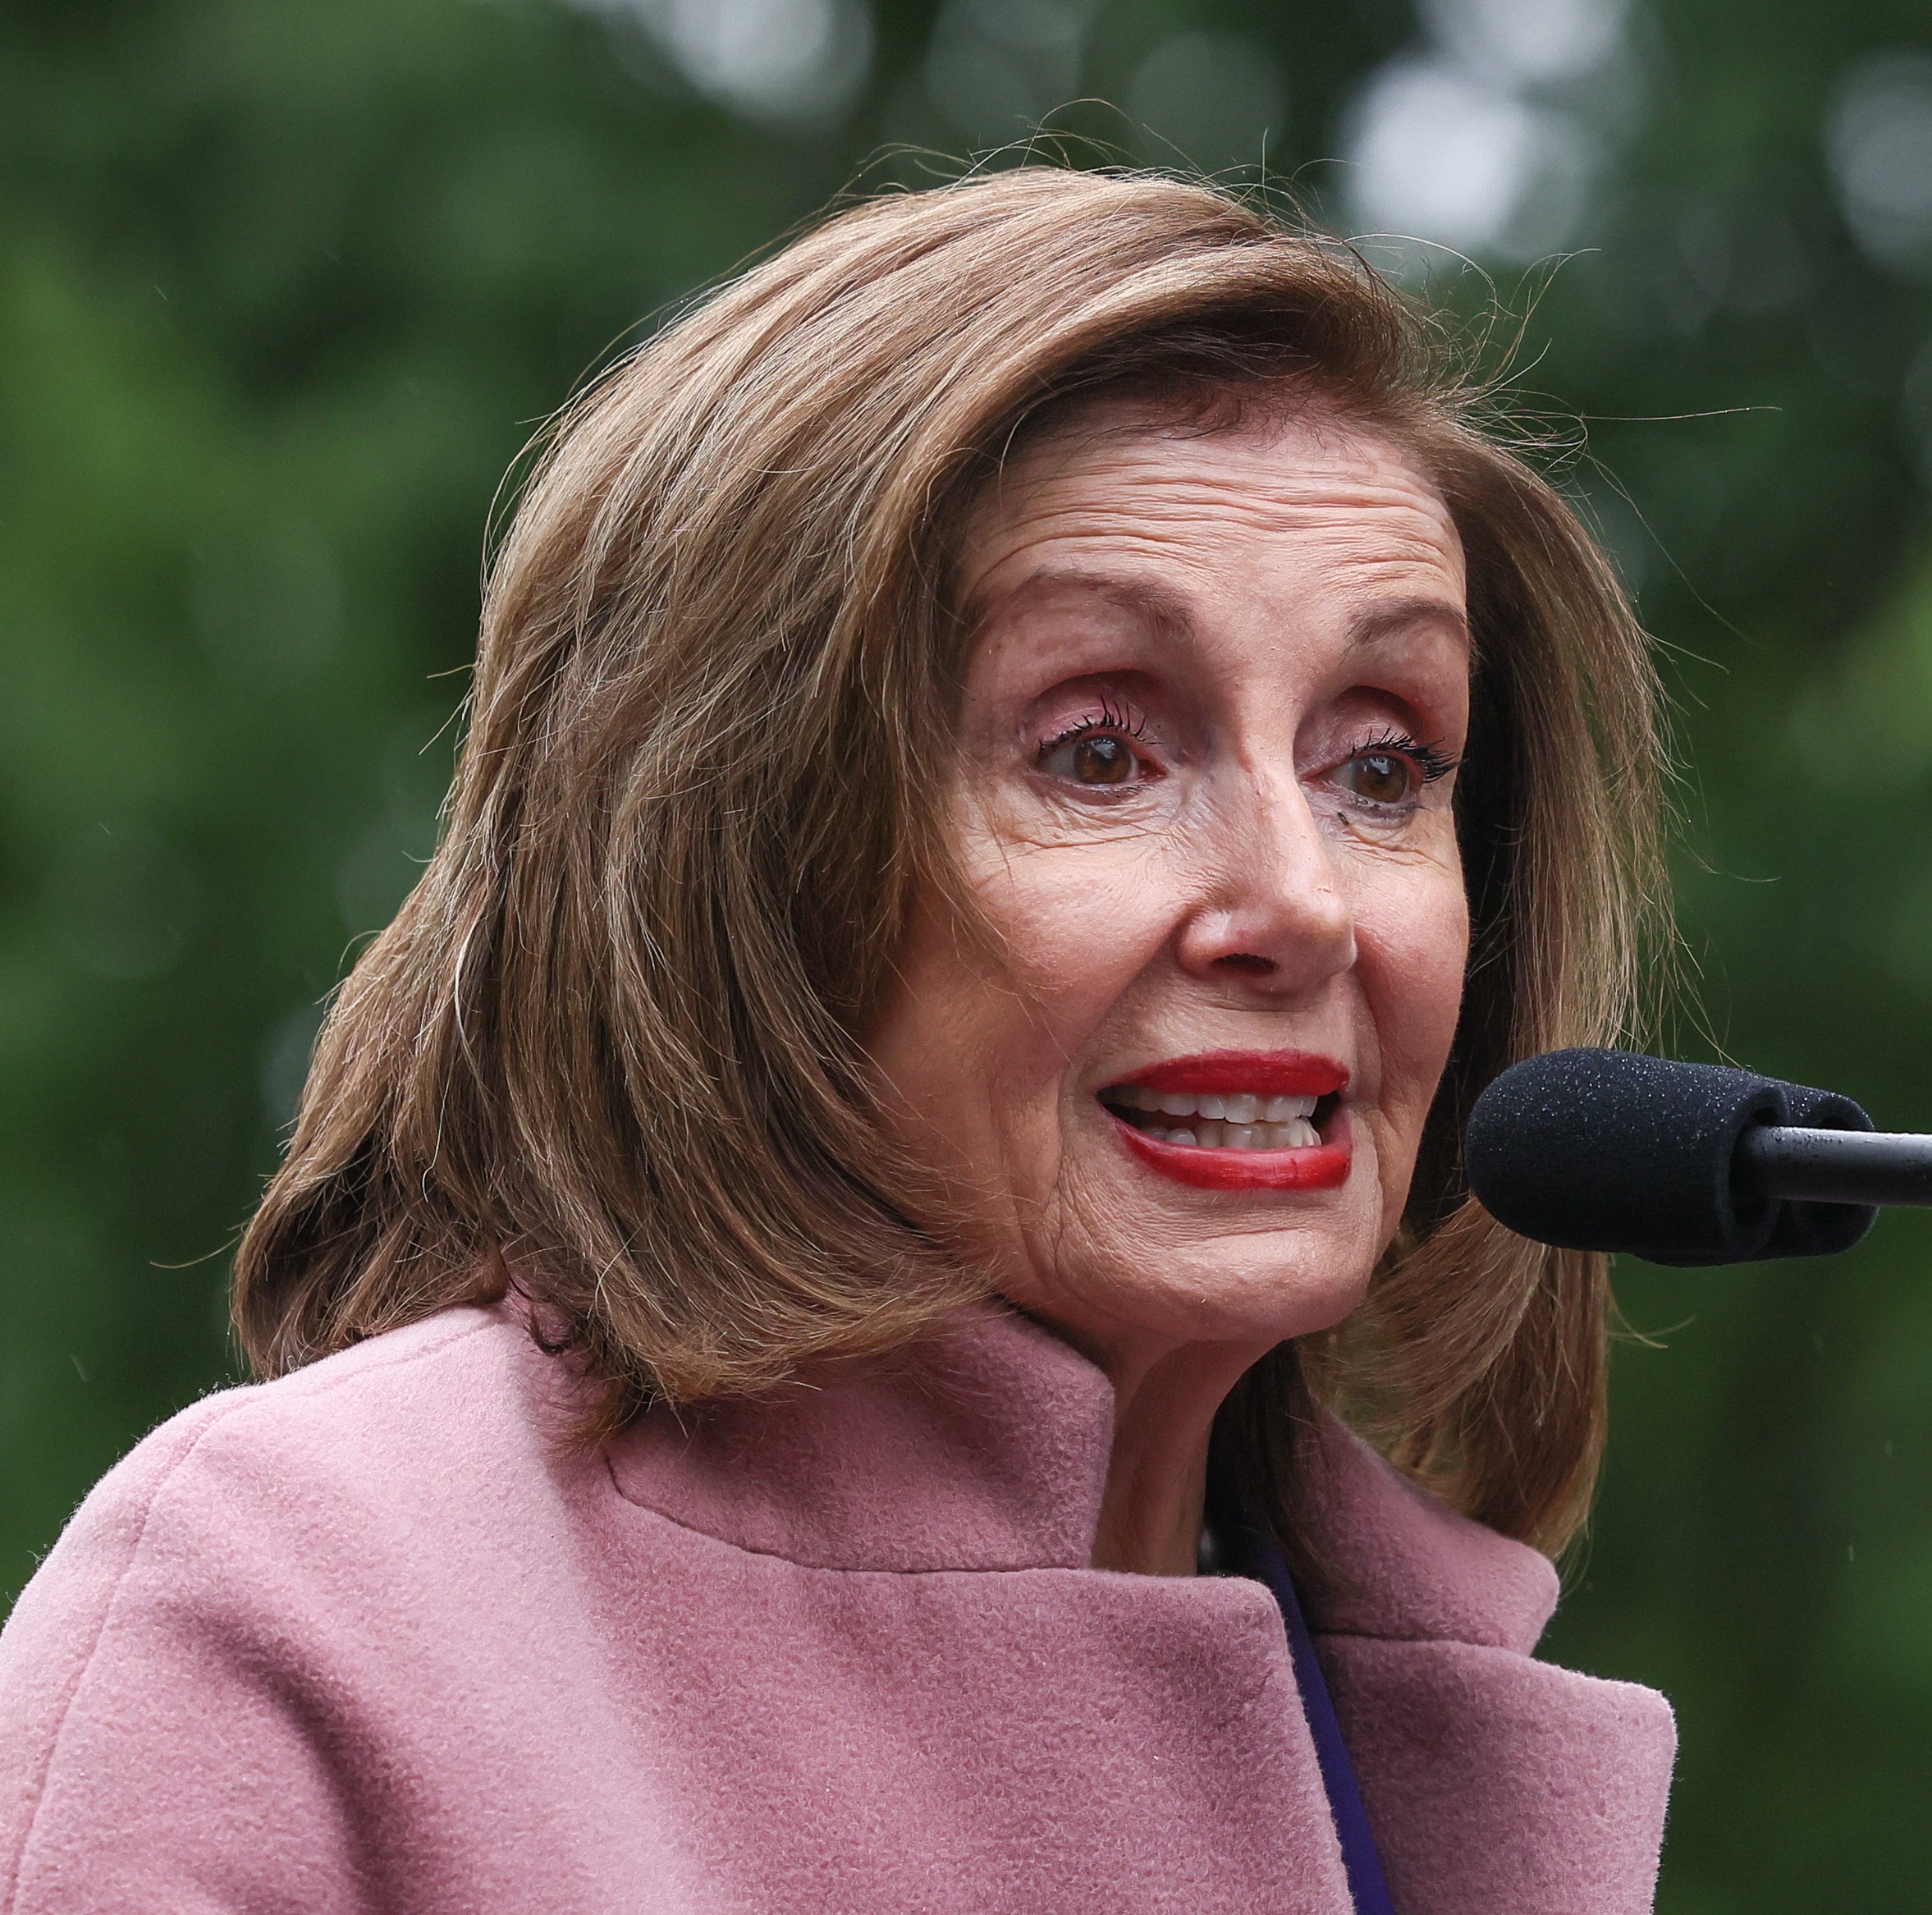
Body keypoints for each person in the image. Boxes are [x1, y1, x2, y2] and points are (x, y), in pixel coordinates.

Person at [0, 170, 1676, 1913]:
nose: (1306, 902)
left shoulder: (1434, 1709)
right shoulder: (301, 1603)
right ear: (737, 854)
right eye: (1097, 751)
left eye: (1382, 766)